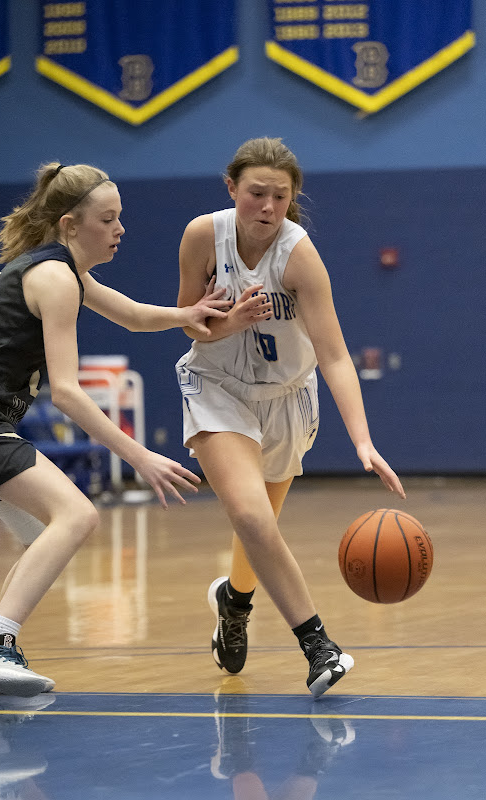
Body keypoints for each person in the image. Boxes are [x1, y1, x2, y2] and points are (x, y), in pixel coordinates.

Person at [0, 161, 231, 698]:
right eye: (107, 219)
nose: (120, 229)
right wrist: (140, 456)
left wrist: (188, 314)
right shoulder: (56, 279)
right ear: (70, 225)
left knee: (40, 539)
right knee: (78, 515)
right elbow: (66, 391)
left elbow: (133, 315)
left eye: (120, 217)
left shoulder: (66, 273)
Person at [175, 137, 405, 698]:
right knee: (251, 516)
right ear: (232, 188)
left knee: (260, 525)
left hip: (286, 397)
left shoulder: (299, 256)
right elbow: (187, 320)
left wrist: (363, 441)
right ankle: (318, 645)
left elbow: (335, 355)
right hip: (217, 387)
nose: (268, 207)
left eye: (280, 196)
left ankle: (235, 602)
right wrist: (231, 323)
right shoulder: (203, 235)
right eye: (257, 193)